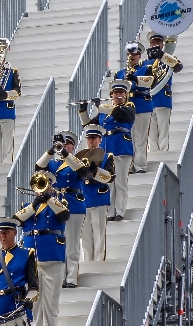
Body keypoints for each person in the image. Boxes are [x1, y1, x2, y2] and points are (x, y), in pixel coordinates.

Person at [13, 172, 69, 326]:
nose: (42, 189)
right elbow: (17, 219)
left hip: (52, 255)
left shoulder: (60, 202)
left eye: (46, 185)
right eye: (40, 186)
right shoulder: (29, 206)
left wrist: (49, 199)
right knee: (35, 301)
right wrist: (35, 204)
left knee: (50, 301)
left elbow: (64, 215)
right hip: (32, 258)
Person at [36, 130, 89, 289]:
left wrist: (65, 153)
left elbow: (83, 172)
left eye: (67, 143)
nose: (63, 146)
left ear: (73, 146)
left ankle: (71, 277)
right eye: (61, 143)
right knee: (60, 241)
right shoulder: (53, 164)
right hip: (56, 204)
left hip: (73, 203)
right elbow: (38, 167)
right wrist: (50, 151)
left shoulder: (78, 161)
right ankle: (61, 277)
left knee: (72, 242)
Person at [78, 80, 135, 221]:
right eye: (115, 93)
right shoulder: (105, 112)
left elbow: (124, 116)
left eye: (121, 93)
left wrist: (100, 106)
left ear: (125, 94)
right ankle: (110, 212)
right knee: (109, 181)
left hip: (122, 147)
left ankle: (120, 211)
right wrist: (83, 110)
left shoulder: (129, 106)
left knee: (121, 181)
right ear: (111, 94)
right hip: (107, 149)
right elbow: (88, 125)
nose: (118, 95)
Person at [114, 41, 153, 173]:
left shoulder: (146, 68)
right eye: (130, 54)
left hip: (141, 104)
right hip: (126, 108)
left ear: (140, 55)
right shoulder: (119, 73)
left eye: (135, 54)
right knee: (128, 137)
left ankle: (140, 165)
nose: (132, 56)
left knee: (140, 138)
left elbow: (150, 82)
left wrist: (135, 78)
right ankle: (129, 165)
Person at [143, 32, 184, 152]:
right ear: (150, 45)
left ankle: (163, 152)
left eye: (158, 43)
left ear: (162, 44)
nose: (155, 45)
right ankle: (154, 152)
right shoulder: (146, 63)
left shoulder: (168, 59)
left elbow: (178, 67)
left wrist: (163, 56)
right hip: (148, 100)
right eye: (153, 43)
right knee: (151, 131)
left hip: (162, 98)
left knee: (163, 129)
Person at [80, 125, 115, 261]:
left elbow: (110, 177)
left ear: (100, 139)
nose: (90, 141)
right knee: (86, 235)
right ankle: (88, 261)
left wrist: (95, 172)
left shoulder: (107, 156)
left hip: (99, 196)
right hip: (84, 197)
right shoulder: (80, 157)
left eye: (93, 138)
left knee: (99, 232)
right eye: (88, 138)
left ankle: (99, 261)